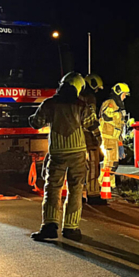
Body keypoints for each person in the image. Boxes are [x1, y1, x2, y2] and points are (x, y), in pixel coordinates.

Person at [29, 72, 99, 242]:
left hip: (57, 152)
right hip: (78, 153)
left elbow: (36, 122)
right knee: (76, 189)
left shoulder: (50, 103)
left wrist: (31, 118)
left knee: (53, 187)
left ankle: (49, 225)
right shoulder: (81, 105)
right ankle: (71, 228)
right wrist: (98, 142)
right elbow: (92, 125)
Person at [97, 82, 130, 202]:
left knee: (113, 163)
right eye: (124, 94)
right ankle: (103, 184)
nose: (124, 97)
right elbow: (107, 117)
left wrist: (120, 143)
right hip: (108, 138)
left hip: (114, 138)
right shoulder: (109, 104)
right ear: (118, 93)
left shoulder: (118, 106)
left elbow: (119, 125)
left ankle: (110, 185)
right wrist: (118, 113)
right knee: (110, 163)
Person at [80, 73, 104, 205]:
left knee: (78, 168)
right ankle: (93, 194)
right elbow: (91, 120)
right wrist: (98, 137)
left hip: (76, 138)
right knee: (93, 166)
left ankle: (76, 194)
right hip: (88, 138)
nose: (96, 91)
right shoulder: (90, 98)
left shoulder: (75, 97)